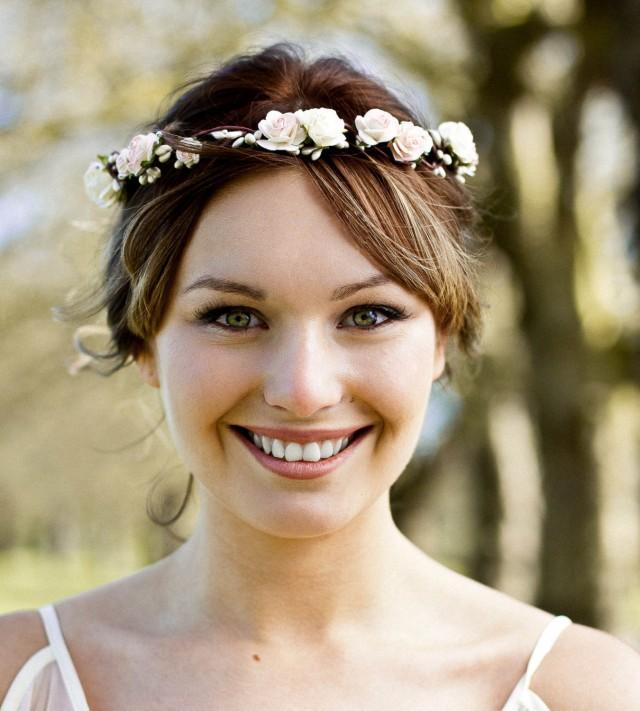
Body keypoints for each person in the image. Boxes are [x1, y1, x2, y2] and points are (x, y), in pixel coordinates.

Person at [1, 41, 638, 711]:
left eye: (367, 313)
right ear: (146, 342)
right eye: (233, 316)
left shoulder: (585, 692)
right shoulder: (19, 677)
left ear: (440, 340)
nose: (303, 390)